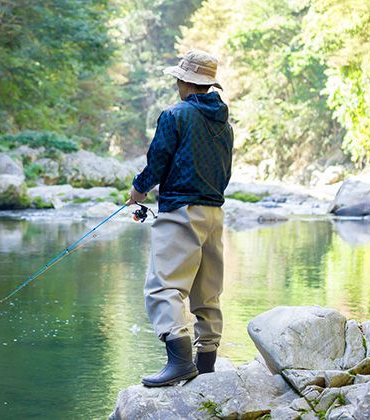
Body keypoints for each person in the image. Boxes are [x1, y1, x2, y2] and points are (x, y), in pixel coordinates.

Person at [126, 50, 233, 387]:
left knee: (163, 286)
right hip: (214, 212)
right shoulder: (224, 123)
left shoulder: (175, 115)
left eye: (178, 79)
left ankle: (180, 363)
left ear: (186, 82)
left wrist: (138, 191)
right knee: (207, 291)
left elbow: (158, 161)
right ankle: (206, 365)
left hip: (181, 210)